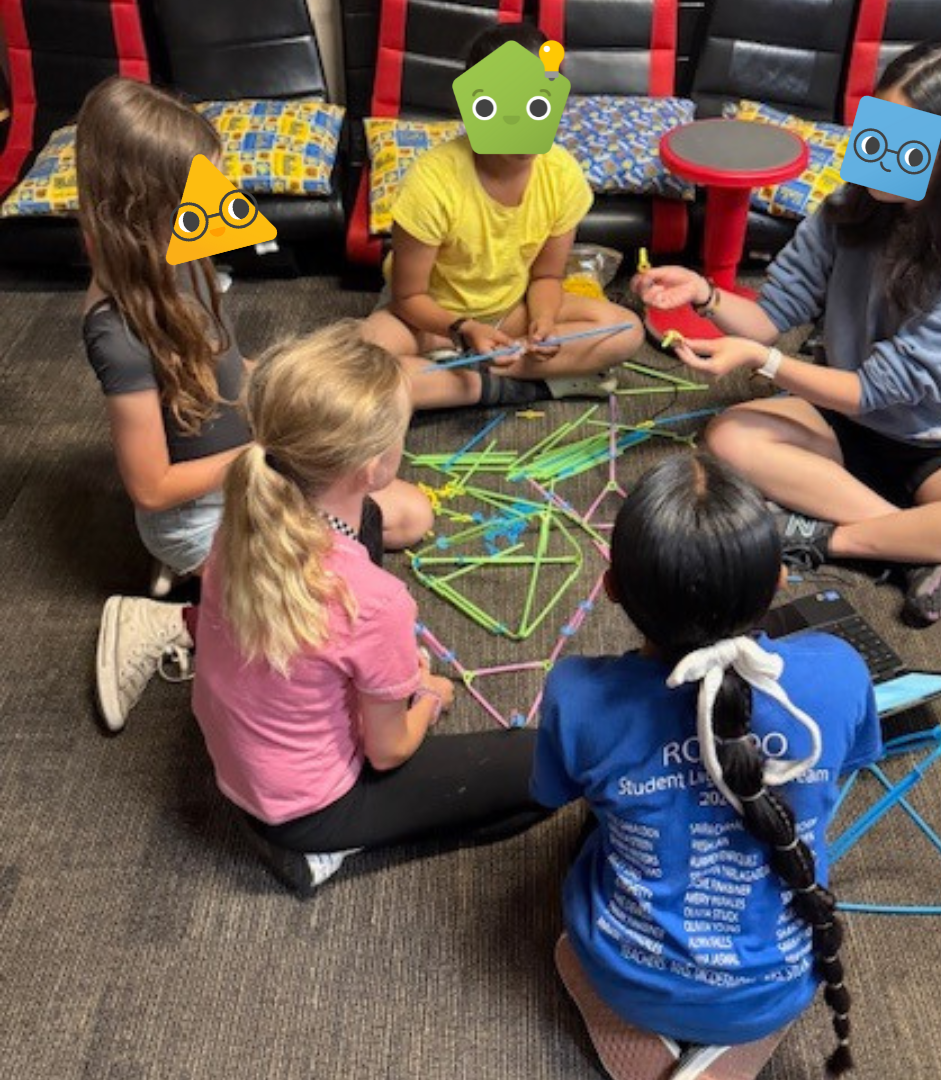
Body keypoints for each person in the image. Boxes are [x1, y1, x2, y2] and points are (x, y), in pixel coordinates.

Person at [636, 39, 941, 626]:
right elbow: (774, 314)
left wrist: (765, 363)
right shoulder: (853, 205)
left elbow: (889, 388)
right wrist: (706, 294)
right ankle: (919, 550)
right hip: (844, 417)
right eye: (877, 129)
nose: (878, 152)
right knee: (729, 435)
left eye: (905, 141)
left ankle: (835, 539)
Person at [76, 77, 432, 730]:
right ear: (140, 209)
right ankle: (171, 621)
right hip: (197, 509)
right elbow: (152, 487)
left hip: (250, 461)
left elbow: (225, 366)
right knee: (328, 596)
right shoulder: (116, 330)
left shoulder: (183, 253)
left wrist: (286, 374)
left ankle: (223, 596)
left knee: (408, 513)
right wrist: (265, 452)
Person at [533, 454, 881, 1080]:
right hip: (780, 985)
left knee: (578, 885)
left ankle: (652, 1028)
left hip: (623, 975)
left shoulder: (577, 694)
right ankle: (733, 1040)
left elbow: (552, 791)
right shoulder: (840, 670)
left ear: (612, 589)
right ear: (779, 580)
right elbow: (848, 765)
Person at [193, 322, 546, 897]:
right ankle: (323, 851)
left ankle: (304, 825)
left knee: (374, 523)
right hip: (308, 808)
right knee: (541, 768)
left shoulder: (242, 524)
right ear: (372, 466)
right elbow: (388, 751)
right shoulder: (374, 602)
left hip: (244, 764)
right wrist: (428, 696)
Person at [360, 22, 644, 411]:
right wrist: (461, 330)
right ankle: (524, 384)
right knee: (365, 360)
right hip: (431, 321)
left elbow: (547, 276)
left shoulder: (561, 175)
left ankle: (458, 378)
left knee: (627, 331)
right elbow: (410, 296)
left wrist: (542, 323)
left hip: (509, 313)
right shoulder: (431, 181)